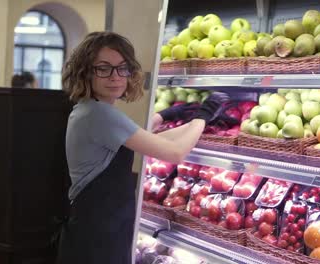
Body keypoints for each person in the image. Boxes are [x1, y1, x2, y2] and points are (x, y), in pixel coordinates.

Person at [56, 31, 228, 264]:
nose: (115, 76)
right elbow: (175, 153)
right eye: (103, 68)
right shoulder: (100, 114)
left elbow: (149, 139)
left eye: (122, 68)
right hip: (98, 235)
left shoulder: (89, 109)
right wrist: (203, 117)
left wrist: (175, 118)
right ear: (85, 72)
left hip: (95, 227)